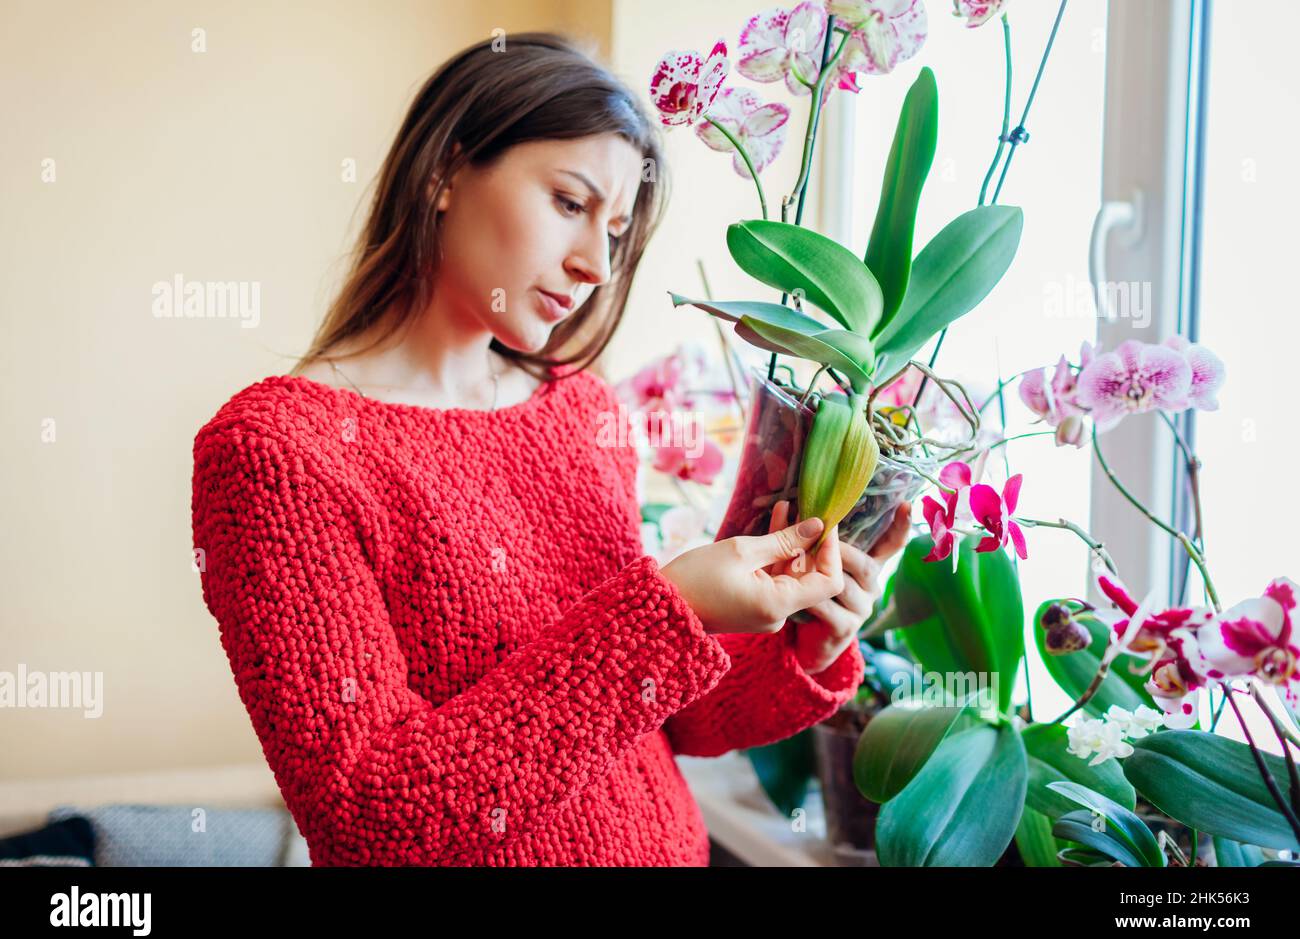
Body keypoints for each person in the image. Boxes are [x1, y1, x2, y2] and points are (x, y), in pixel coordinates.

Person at [191, 31, 911, 867]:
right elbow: (374, 817)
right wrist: (665, 613)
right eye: (571, 204)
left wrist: (803, 640)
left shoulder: (576, 409)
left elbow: (662, 724)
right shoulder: (279, 452)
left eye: (614, 233)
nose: (594, 266)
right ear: (444, 173)